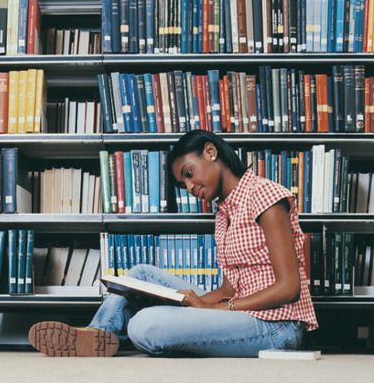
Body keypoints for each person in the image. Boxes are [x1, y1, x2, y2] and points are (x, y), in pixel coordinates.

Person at [28, 129, 318, 357]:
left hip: (275, 326)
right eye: (184, 184)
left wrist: (214, 310)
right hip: (241, 308)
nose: (191, 188)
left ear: (210, 151)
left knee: (145, 324)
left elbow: (288, 287)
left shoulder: (263, 195)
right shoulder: (225, 212)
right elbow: (232, 287)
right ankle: (98, 334)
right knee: (140, 273)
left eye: (189, 174)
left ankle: (117, 335)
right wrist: (199, 301)